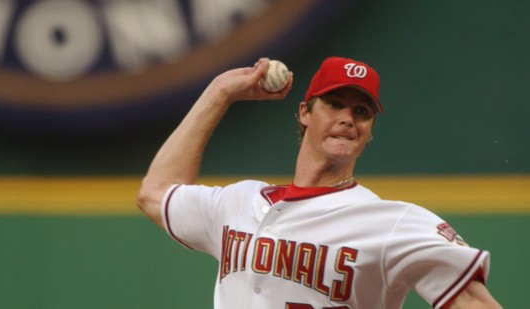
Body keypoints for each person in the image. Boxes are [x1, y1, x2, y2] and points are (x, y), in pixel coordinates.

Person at [137, 57, 502, 308]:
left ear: (369, 131)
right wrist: (219, 92)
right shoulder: (239, 202)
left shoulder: (391, 223)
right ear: (305, 112)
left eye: (361, 112)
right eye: (335, 104)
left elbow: (471, 301)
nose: (348, 118)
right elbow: (155, 193)